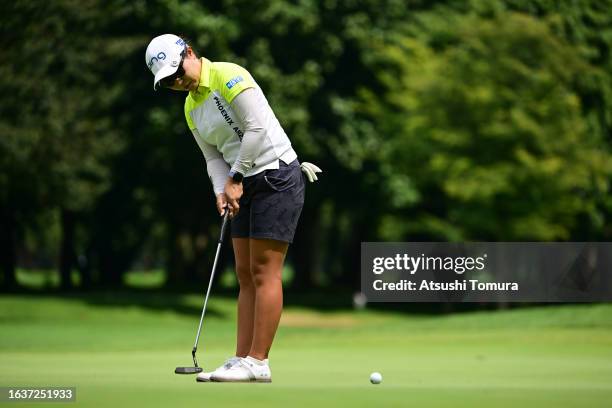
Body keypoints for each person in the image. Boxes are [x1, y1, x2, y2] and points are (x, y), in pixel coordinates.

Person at [145, 34, 321, 383]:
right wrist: (220, 191)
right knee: (244, 274)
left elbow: (256, 127)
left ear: (190, 53)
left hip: (275, 175)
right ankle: (241, 359)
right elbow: (212, 157)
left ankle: (259, 361)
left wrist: (236, 176)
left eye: (177, 72)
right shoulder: (190, 107)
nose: (176, 82)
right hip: (240, 183)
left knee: (263, 272)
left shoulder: (228, 75)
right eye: (167, 82)